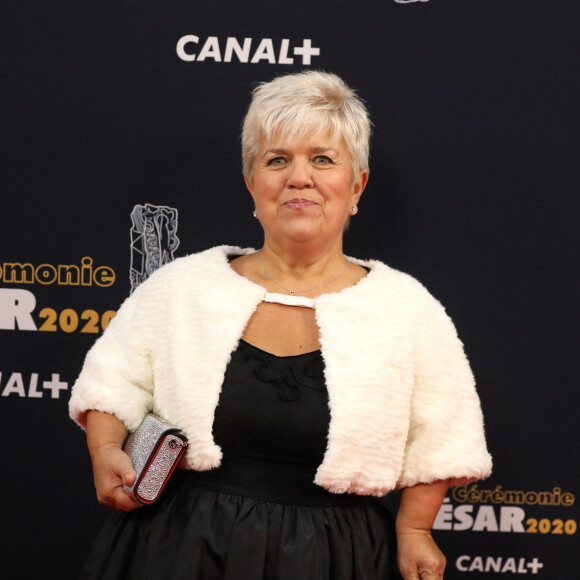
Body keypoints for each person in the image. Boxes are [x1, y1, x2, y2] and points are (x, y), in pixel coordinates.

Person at [70, 71, 492, 580]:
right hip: (176, 551)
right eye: (277, 160)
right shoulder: (181, 286)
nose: (299, 177)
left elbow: (442, 433)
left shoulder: (407, 308)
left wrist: (415, 531)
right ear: (252, 182)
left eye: (322, 159)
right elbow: (112, 381)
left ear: (356, 184)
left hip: (339, 560)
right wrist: (106, 449)